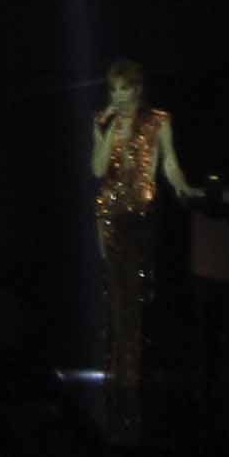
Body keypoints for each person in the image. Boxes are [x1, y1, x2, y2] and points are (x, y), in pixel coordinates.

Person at [83, 59, 200, 409]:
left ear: (137, 90)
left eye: (124, 89)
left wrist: (184, 188)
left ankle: (132, 375)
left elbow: (169, 164)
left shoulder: (158, 121)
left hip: (143, 214)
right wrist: (107, 132)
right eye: (113, 90)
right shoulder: (102, 121)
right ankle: (122, 379)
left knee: (139, 293)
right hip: (112, 216)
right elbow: (98, 169)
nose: (118, 96)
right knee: (120, 297)